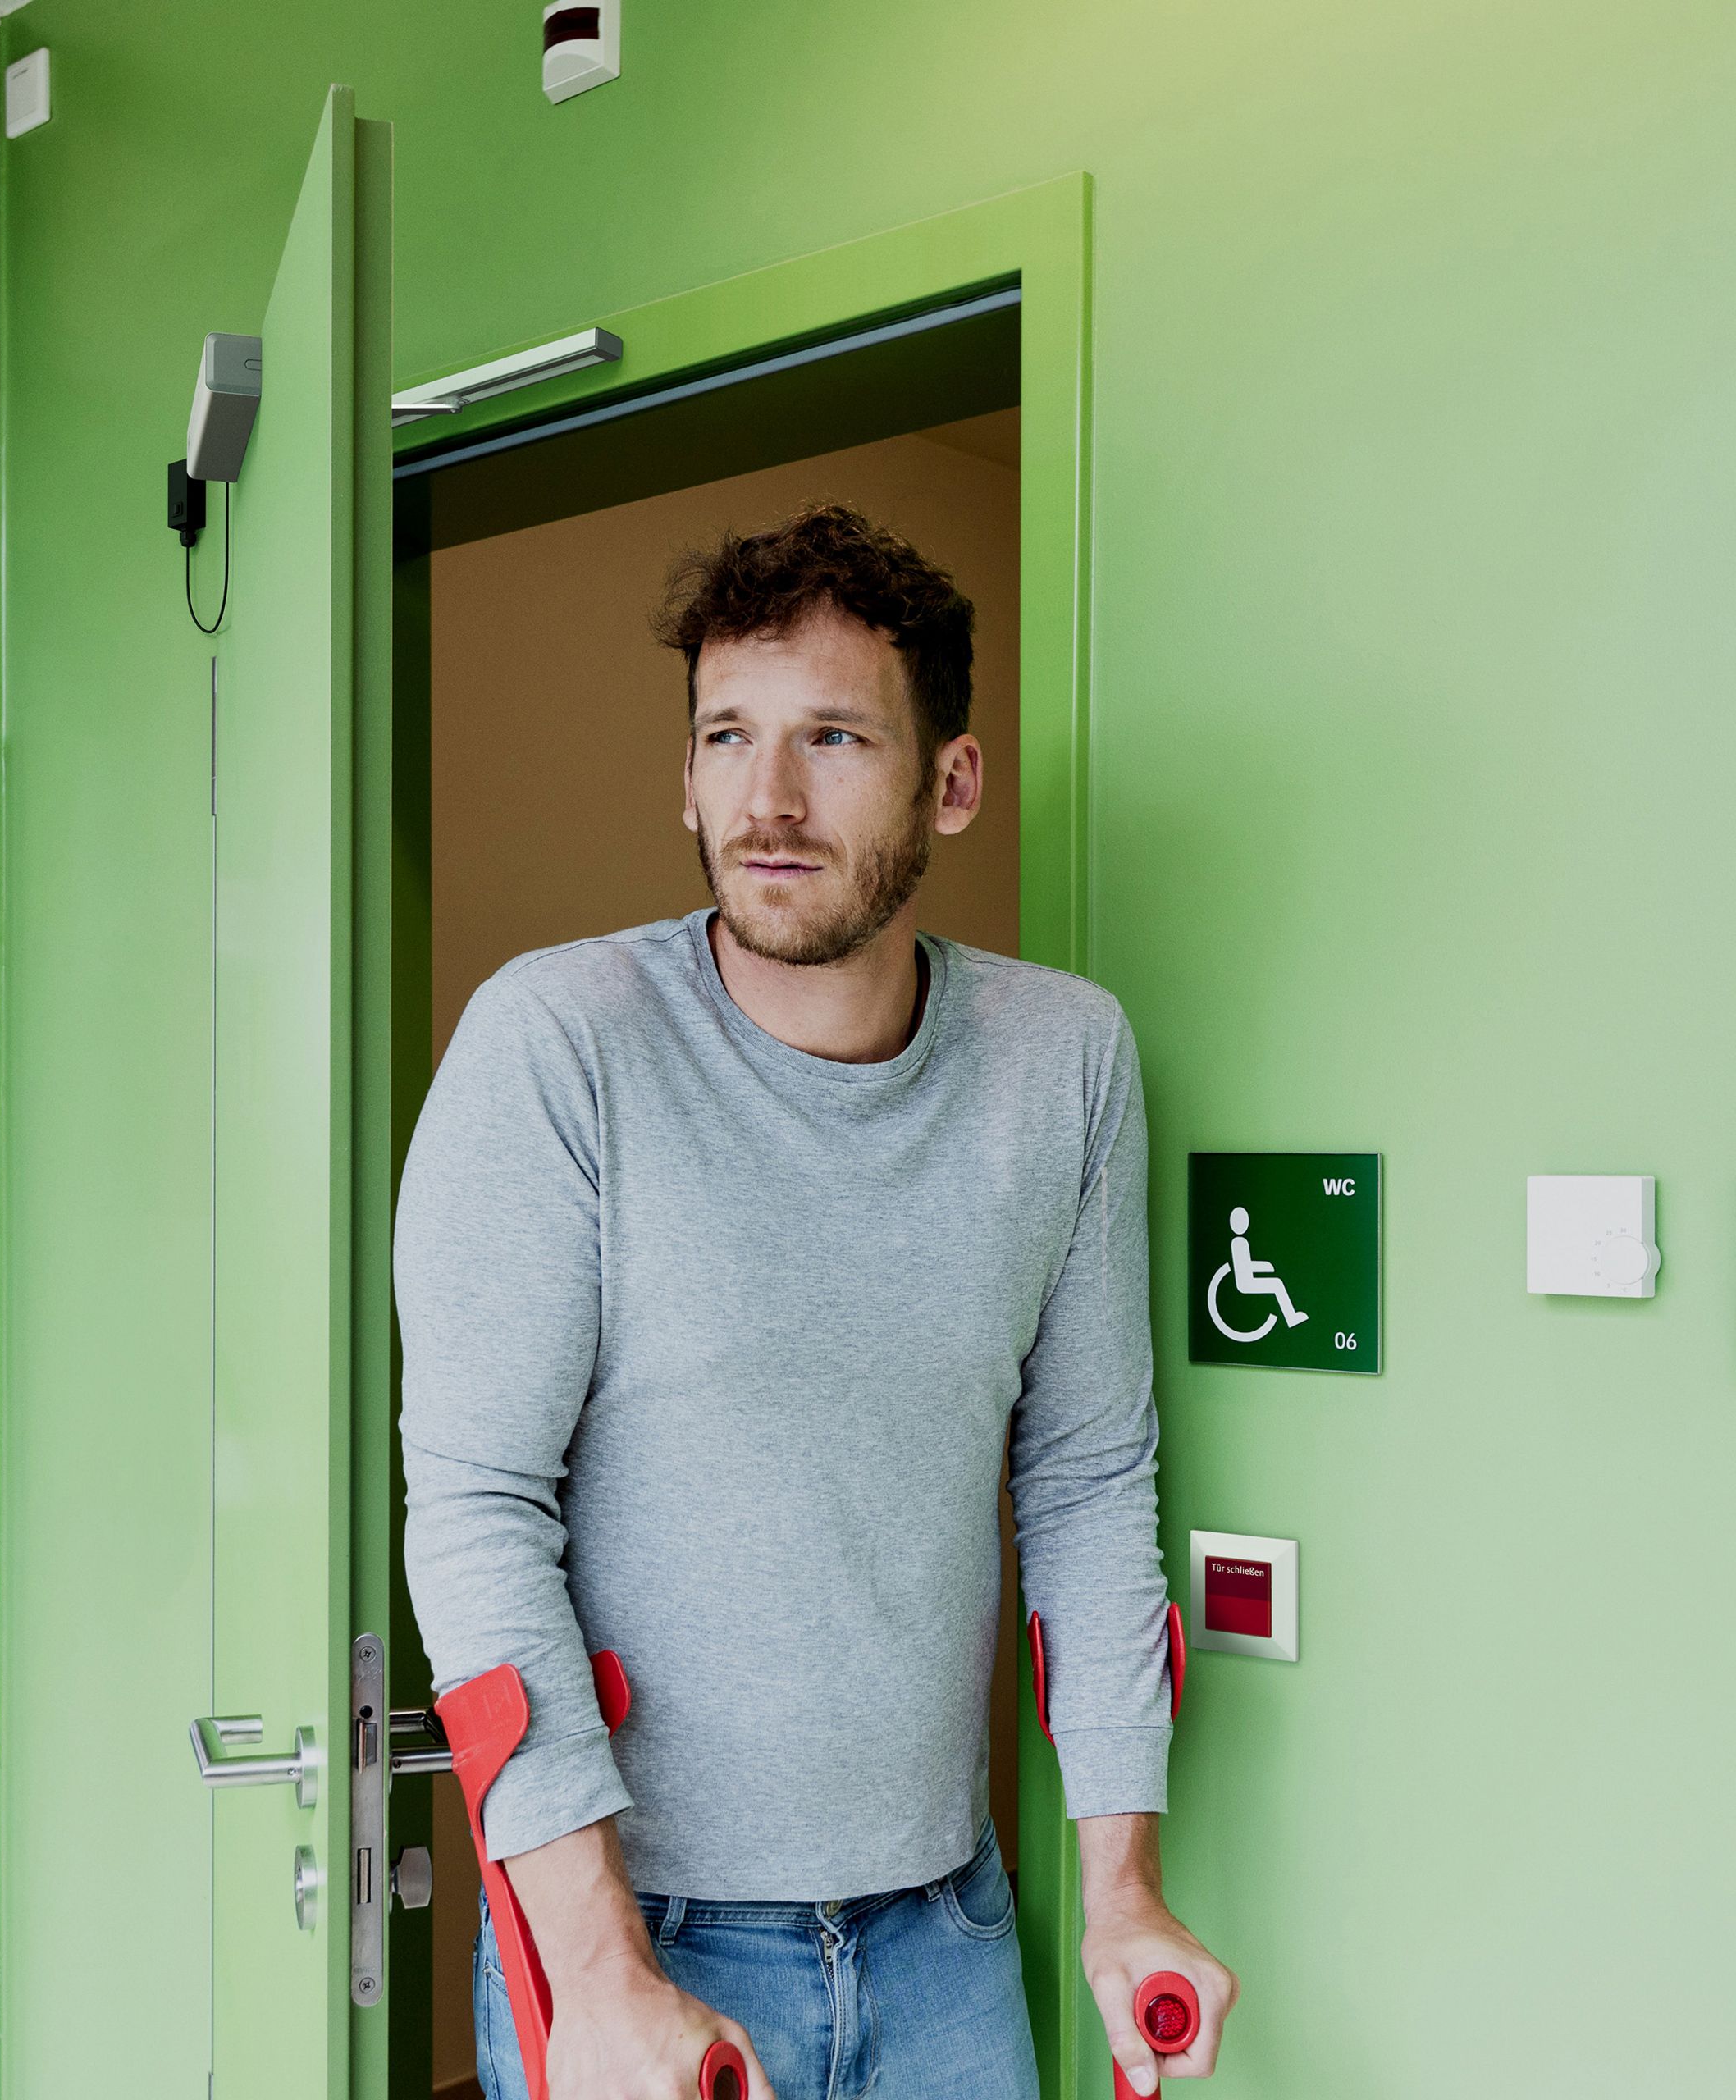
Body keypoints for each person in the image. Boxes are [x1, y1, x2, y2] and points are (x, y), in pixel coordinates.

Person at [395, 504, 1237, 2100]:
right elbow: (478, 1511)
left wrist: (1118, 1889)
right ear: (687, 771)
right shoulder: (560, 1043)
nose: (767, 799)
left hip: (946, 1936)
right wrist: (601, 1979)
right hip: (642, 1943)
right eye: (727, 735)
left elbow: (1086, 1478)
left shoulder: (1063, 1061)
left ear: (952, 782)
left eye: (833, 737)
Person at [1227, 1207, 1307, 1328]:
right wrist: (1265, 1266)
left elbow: (1247, 1265)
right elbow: (1244, 1266)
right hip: (1245, 1283)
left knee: (1277, 1283)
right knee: (1277, 1284)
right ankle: (1291, 1317)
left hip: (1248, 1279)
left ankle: (1291, 1316)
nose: (1244, 1223)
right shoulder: (1239, 1242)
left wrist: (1265, 1266)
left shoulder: (1241, 1241)